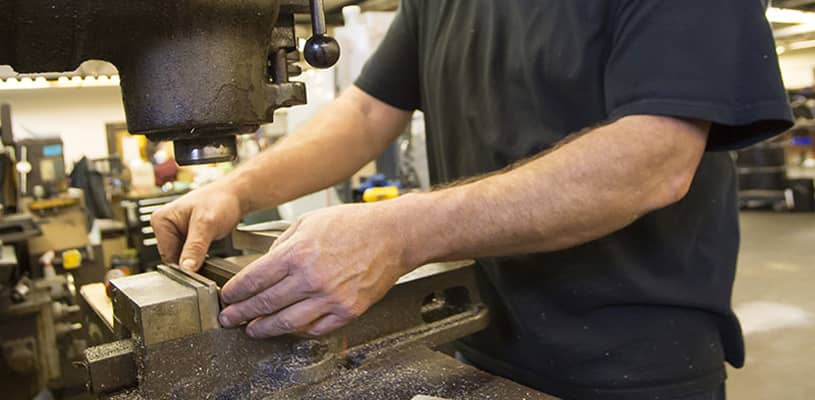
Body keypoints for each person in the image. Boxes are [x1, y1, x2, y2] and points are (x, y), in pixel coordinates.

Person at [151, 1, 793, 399]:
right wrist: (236, 189)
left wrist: (397, 231)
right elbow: (369, 112)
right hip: (477, 334)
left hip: (631, 362)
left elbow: (652, 161)